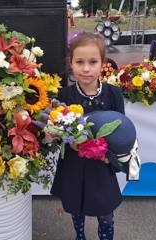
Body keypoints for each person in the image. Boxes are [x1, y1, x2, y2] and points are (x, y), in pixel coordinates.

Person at [50, 32, 126, 240]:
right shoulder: (64, 96)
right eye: (79, 62)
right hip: (74, 164)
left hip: (102, 165)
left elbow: (121, 131)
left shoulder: (113, 94)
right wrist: (66, 140)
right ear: (71, 63)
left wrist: (107, 154)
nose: (86, 68)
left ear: (103, 63)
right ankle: (80, 236)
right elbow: (57, 130)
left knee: (106, 213)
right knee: (77, 208)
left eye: (93, 62)